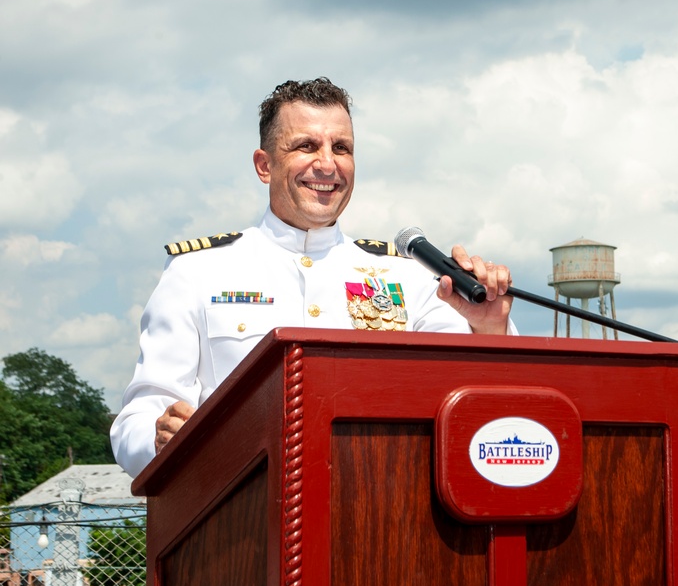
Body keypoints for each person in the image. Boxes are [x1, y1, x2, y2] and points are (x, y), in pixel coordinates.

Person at [110, 78, 514, 477]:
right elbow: (137, 420)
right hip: (239, 520)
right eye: (306, 145)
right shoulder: (199, 272)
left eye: (342, 148)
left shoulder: (408, 276)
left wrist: (490, 327)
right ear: (264, 165)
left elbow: (470, 398)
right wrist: (158, 437)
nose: (327, 163)